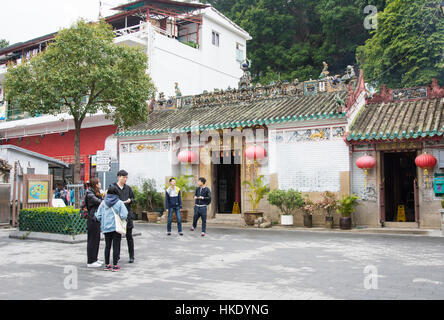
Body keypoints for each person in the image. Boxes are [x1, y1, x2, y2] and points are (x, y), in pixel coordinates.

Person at [95, 185, 128, 272]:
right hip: (116, 228)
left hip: (106, 227)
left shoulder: (103, 203)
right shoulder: (119, 202)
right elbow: (124, 215)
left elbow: (98, 216)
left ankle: (107, 265)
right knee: (116, 246)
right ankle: (115, 265)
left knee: (107, 246)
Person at [111, 170, 136, 263]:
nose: (125, 179)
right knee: (117, 237)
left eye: (126, 177)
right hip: (117, 216)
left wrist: (130, 200)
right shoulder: (113, 187)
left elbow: (133, 198)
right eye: (124, 177)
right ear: (118, 177)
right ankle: (116, 256)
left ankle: (131, 256)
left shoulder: (128, 188)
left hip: (127, 215)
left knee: (129, 236)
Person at [85, 177, 104, 268]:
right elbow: (100, 202)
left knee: (96, 240)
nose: (100, 184)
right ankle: (90, 261)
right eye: (99, 183)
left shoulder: (95, 192)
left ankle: (95, 259)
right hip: (92, 219)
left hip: (96, 219)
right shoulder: (90, 194)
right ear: (95, 184)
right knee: (92, 240)